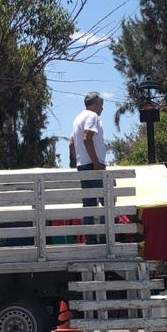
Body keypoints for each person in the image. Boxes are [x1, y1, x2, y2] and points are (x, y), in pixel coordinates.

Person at [70, 92, 108, 243]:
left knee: (89, 203)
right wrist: (96, 164)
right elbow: (87, 138)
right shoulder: (92, 116)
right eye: (101, 105)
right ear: (96, 104)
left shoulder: (77, 118)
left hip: (82, 165)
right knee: (107, 201)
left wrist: (78, 159)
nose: (102, 109)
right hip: (93, 165)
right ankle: (106, 238)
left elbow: (72, 143)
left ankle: (91, 240)